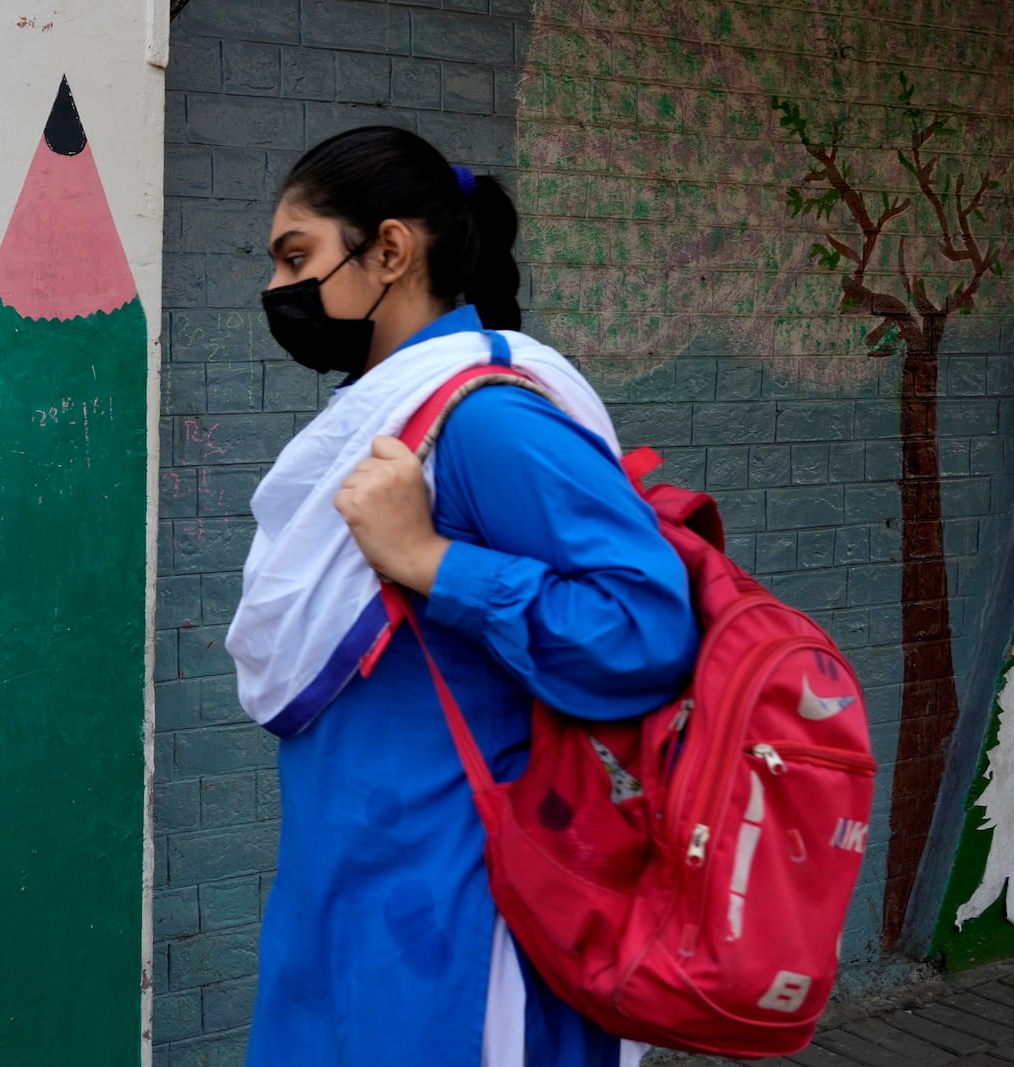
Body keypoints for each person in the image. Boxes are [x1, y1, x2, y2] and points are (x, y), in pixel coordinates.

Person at [224, 126, 700, 1066]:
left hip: (466, 922)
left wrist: (432, 560)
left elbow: (647, 625)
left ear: (390, 251)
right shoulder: (387, 417)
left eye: (297, 257)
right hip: (356, 889)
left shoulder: (484, 418)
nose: (278, 291)